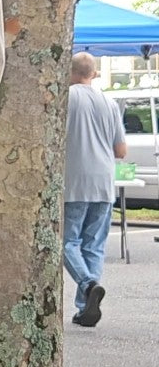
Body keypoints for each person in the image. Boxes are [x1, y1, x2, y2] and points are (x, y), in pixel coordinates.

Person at [63, 51, 126, 328]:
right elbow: (121, 150)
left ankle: (88, 285)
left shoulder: (66, 98)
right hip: (104, 181)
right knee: (94, 246)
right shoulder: (109, 102)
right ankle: (84, 308)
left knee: (67, 242)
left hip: (74, 180)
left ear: (70, 71)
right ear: (94, 74)